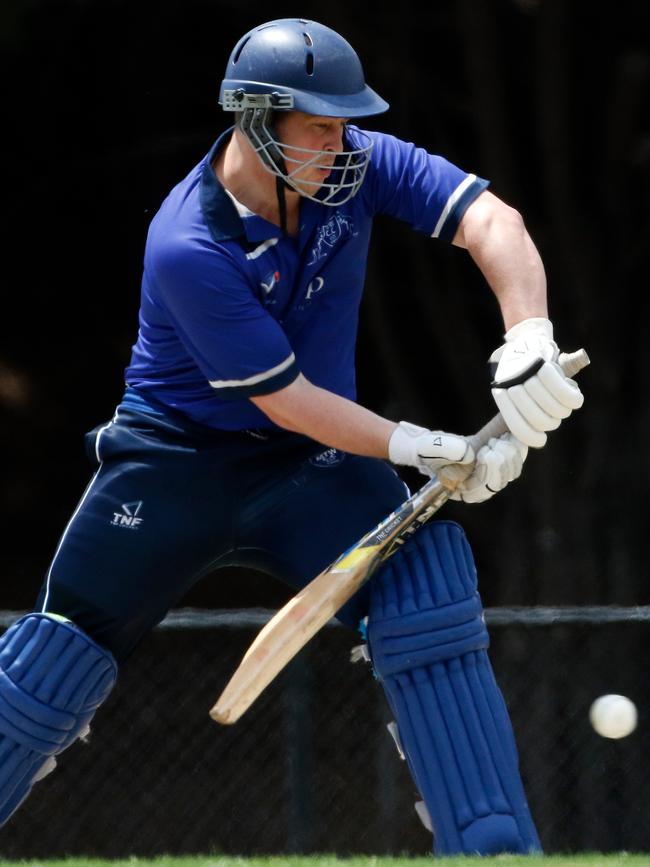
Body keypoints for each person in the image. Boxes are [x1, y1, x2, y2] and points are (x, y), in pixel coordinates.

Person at [0, 17, 584, 855]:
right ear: (256, 122)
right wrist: (426, 447)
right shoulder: (186, 244)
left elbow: (495, 222)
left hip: (312, 468)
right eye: (319, 126)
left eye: (347, 122)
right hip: (174, 464)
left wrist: (527, 335)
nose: (343, 143)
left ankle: (490, 844)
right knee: (51, 662)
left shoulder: (349, 167)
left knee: (428, 590)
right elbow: (285, 398)